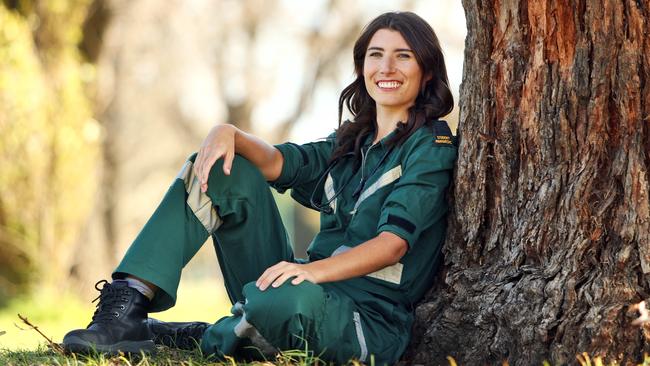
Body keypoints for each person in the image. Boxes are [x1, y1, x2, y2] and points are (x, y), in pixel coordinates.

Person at [62, 11, 457, 365]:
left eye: (403, 55)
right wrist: (227, 133)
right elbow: (277, 163)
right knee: (221, 169)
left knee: (283, 298)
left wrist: (311, 274)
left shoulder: (431, 146)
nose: (387, 66)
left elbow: (393, 244)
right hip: (302, 287)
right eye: (376, 54)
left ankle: (209, 335)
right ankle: (126, 309)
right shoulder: (353, 141)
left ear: (426, 70)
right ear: (362, 67)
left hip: (366, 319)